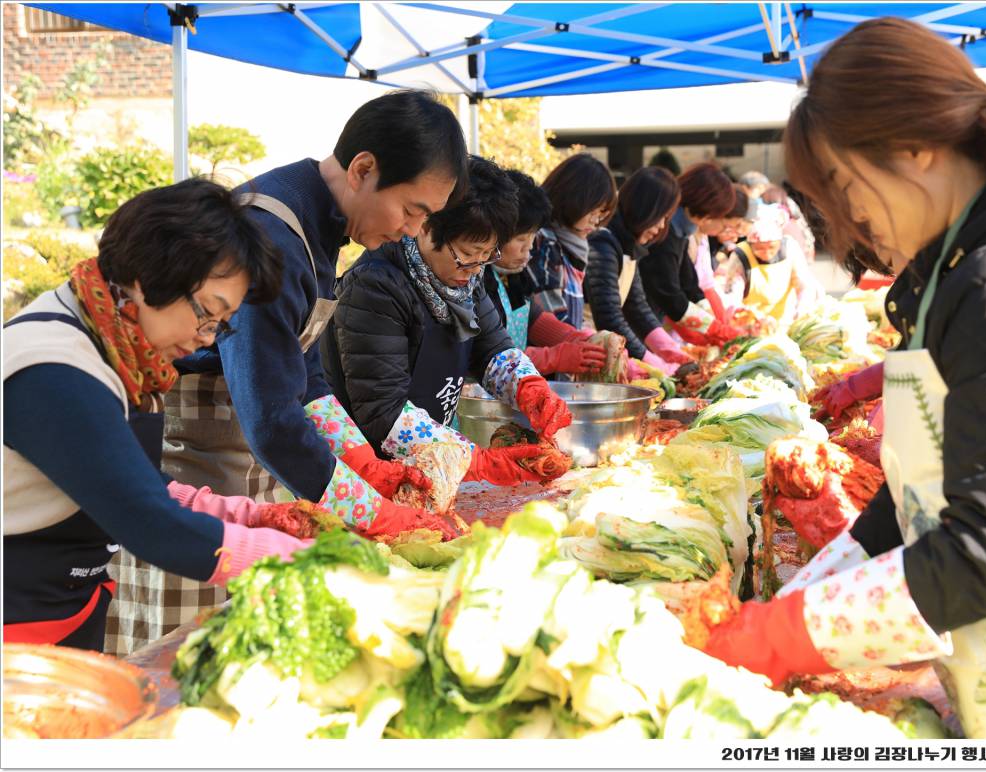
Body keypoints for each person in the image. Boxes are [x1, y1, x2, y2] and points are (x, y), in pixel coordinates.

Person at [699, 17, 986, 739]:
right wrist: (809, 591)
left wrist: (781, 636)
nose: (852, 220)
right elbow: (917, 496)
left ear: (915, 145)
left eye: (846, 186)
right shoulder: (949, 267)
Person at [114, 90, 466, 655]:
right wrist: (372, 514)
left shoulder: (321, 231)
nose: (410, 231)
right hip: (201, 459)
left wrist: (367, 466)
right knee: (189, 647)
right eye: (412, 210)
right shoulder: (270, 234)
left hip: (249, 460)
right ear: (364, 169)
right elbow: (274, 420)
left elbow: (306, 378)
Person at [2, 179, 324, 651]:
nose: (208, 338)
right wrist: (295, 562)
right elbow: (147, 521)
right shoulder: (55, 367)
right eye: (207, 314)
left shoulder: (116, 345)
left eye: (221, 324)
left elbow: (123, 480)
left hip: (65, 612)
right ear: (148, 275)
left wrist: (248, 515)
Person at [323, 156, 572, 488]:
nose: (474, 268)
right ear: (426, 226)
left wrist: (532, 390)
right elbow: (384, 411)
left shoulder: (465, 279)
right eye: (467, 254)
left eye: (487, 256)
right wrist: (477, 461)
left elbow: (493, 350)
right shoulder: (376, 287)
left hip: (433, 468)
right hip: (366, 477)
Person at [483, 169, 606, 377]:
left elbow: (534, 319)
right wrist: (554, 357)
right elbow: (486, 353)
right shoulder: (478, 282)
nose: (528, 248)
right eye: (521, 239)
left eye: (532, 238)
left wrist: (582, 340)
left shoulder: (512, 275)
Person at [584, 166, 689, 374]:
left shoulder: (629, 245)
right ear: (645, 209)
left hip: (605, 352)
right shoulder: (603, 243)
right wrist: (653, 362)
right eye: (661, 217)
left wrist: (668, 349)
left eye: (666, 220)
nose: (661, 227)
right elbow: (609, 316)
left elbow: (637, 306)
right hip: (588, 352)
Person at [638, 162, 742, 347]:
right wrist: (715, 329)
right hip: (642, 323)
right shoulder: (665, 233)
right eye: (715, 216)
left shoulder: (680, 231)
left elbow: (689, 283)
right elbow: (670, 294)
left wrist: (715, 322)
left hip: (651, 321)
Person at [520, 154, 618, 330]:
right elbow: (552, 317)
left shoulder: (571, 247)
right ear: (574, 198)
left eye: (602, 214)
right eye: (593, 211)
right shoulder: (545, 243)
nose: (595, 221)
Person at [718, 204, 823, 323]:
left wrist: (802, 307)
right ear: (751, 244)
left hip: (786, 319)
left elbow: (804, 283)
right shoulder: (740, 255)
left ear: (779, 241)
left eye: (772, 247)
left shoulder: (789, 248)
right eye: (760, 248)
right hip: (752, 323)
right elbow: (733, 295)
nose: (766, 252)